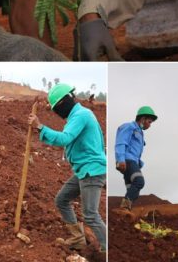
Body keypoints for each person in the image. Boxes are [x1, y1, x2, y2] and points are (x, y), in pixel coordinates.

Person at [27, 83, 107, 253]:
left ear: (64, 102)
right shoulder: (77, 115)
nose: (56, 112)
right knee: (62, 199)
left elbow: (64, 138)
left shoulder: (81, 115)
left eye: (56, 108)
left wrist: (40, 126)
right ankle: (78, 239)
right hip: (83, 170)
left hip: (91, 171)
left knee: (91, 215)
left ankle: (108, 250)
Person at [114, 106, 157, 210]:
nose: (150, 125)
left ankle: (125, 211)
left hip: (133, 162)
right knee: (139, 181)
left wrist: (139, 164)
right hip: (127, 160)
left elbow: (136, 151)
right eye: (149, 122)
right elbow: (120, 143)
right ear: (142, 119)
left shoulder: (140, 133)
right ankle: (124, 206)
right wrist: (120, 159)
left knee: (133, 191)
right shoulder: (129, 127)